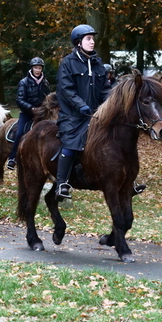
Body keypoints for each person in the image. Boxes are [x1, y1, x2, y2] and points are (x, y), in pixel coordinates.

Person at [54, 24, 111, 200]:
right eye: (88, 39)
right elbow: (66, 90)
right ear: (78, 42)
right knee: (72, 144)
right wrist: (80, 105)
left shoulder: (98, 63)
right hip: (73, 116)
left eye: (93, 39)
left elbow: (105, 88)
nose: (92, 42)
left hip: (95, 115)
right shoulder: (67, 63)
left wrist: (111, 102)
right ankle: (61, 183)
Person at [6, 57, 51, 170]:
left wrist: (45, 108)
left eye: (39, 68)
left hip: (41, 114)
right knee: (20, 132)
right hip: (27, 113)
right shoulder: (24, 82)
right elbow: (19, 100)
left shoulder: (45, 83)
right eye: (35, 67)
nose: (37, 70)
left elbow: (48, 98)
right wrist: (31, 108)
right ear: (31, 68)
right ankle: (13, 158)